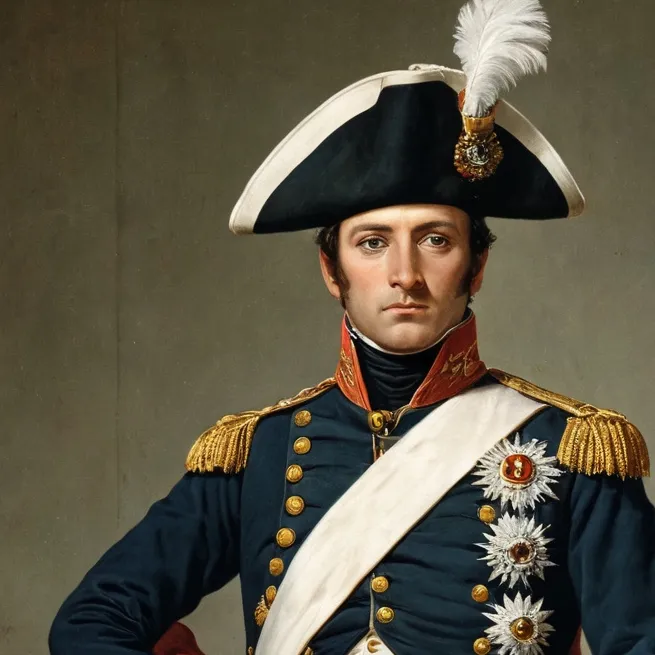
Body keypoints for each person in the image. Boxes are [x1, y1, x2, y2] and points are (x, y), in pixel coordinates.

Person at [49, 1, 655, 654]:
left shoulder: (574, 450)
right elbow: (91, 622)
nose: (405, 274)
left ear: (476, 265)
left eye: (435, 239)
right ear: (330, 270)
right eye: (372, 243)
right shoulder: (259, 452)